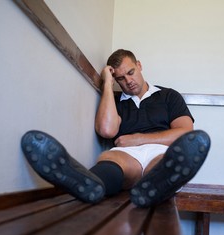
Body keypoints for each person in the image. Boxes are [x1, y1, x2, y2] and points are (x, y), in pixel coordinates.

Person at [21, 49, 210, 207]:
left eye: (131, 72)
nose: (128, 81)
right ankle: (87, 183)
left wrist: (138, 139)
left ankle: (153, 189)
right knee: (110, 158)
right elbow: (106, 130)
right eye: (120, 78)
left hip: (160, 154)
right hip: (127, 156)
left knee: (163, 165)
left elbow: (186, 132)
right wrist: (108, 86)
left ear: (139, 65)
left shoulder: (168, 96)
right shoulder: (115, 101)